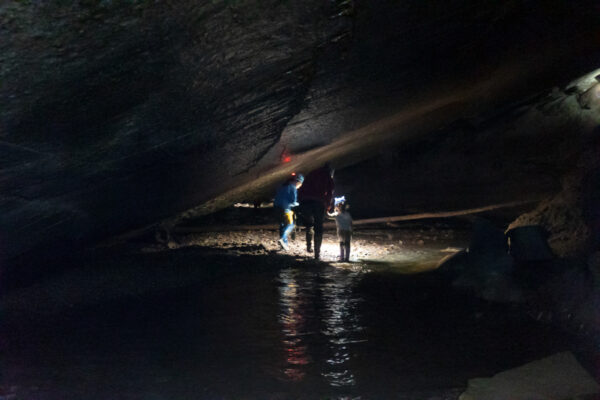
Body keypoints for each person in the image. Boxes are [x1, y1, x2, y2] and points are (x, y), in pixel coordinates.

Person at [298, 163, 335, 259]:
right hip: (318, 202)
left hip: (305, 202)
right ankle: (317, 254)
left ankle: (309, 247)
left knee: (309, 224)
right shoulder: (327, 176)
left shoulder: (311, 173)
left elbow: (302, 188)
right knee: (318, 227)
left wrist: (300, 202)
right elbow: (330, 193)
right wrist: (327, 206)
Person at [274, 173, 304, 251]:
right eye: (300, 184)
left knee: (282, 225)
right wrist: (299, 204)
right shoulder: (293, 188)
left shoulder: (282, 185)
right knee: (290, 225)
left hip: (277, 207)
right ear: (298, 182)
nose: (299, 186)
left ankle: (284, 245)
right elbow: (293, 201)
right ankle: (282, 239)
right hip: (286, 209)